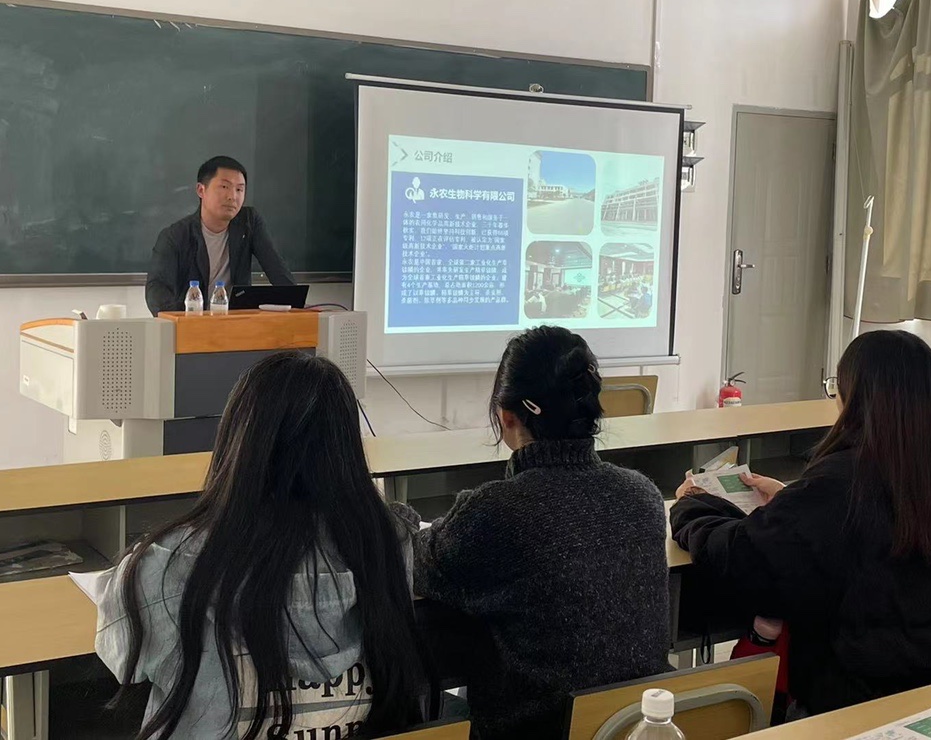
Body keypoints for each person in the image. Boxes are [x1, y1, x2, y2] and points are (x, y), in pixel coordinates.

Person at [91, 352, 432, 739]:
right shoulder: (387, 543)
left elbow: (121, 654)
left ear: (240, 443)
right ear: (347, 448)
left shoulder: (170, 563)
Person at [671, 330, 931, 717]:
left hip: (852, 703)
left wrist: (692, 506)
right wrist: (791, 498)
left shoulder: (841, 482)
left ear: (855, 397)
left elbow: (744, 558)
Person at [414, 326, 671, 740]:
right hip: (630, 727)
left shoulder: (497, 511)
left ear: (506, 415)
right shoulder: (643, 495)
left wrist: (403, 518)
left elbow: (420, 562)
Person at [145, 156, 294, 315]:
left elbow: (276, 269)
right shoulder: (174, 236)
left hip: (236, 322)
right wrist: (186, 319)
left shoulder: (248, 222)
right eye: (224, 187)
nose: (232, 196)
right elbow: (156, 292)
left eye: (239, 189)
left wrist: (296, 303)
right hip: (192, 322)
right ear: (201, 190)